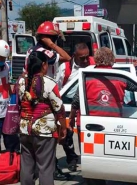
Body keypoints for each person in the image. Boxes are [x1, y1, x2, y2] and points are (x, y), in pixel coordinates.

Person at [69, 47, 137, 148]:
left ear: (96, 59)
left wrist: (71, 118)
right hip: (113, 125)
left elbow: (76, 101)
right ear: (112, 60)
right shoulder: (121, 77)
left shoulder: (87, 78)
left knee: (89, 156)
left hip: (89, 125)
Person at [24, 21, 71, 180]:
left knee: (28, 162)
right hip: (46, 100)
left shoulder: (31, 50)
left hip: (28, 106)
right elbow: (67, 57)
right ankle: (53, 169)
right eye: (54, 38)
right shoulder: (46, 52)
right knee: (46, 161)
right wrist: (51, 44)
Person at [18, 51, 67, 185]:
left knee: (27, 166)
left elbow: (19, 104)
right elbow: (59, 109)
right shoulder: (49, 83)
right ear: (44, 65)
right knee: (45, 168)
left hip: (25, 129)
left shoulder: (21, 82)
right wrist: (64, 127)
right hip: (44, 132)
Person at [54, 42, 94, 172]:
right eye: (82, 58)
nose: (85, 60)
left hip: (88, 104)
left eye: (87, 56)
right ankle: (71, 159)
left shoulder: (93, 64)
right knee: (67, 134)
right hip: (68, 103)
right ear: (74, 56)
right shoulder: (65, 68)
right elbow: (59, 88)